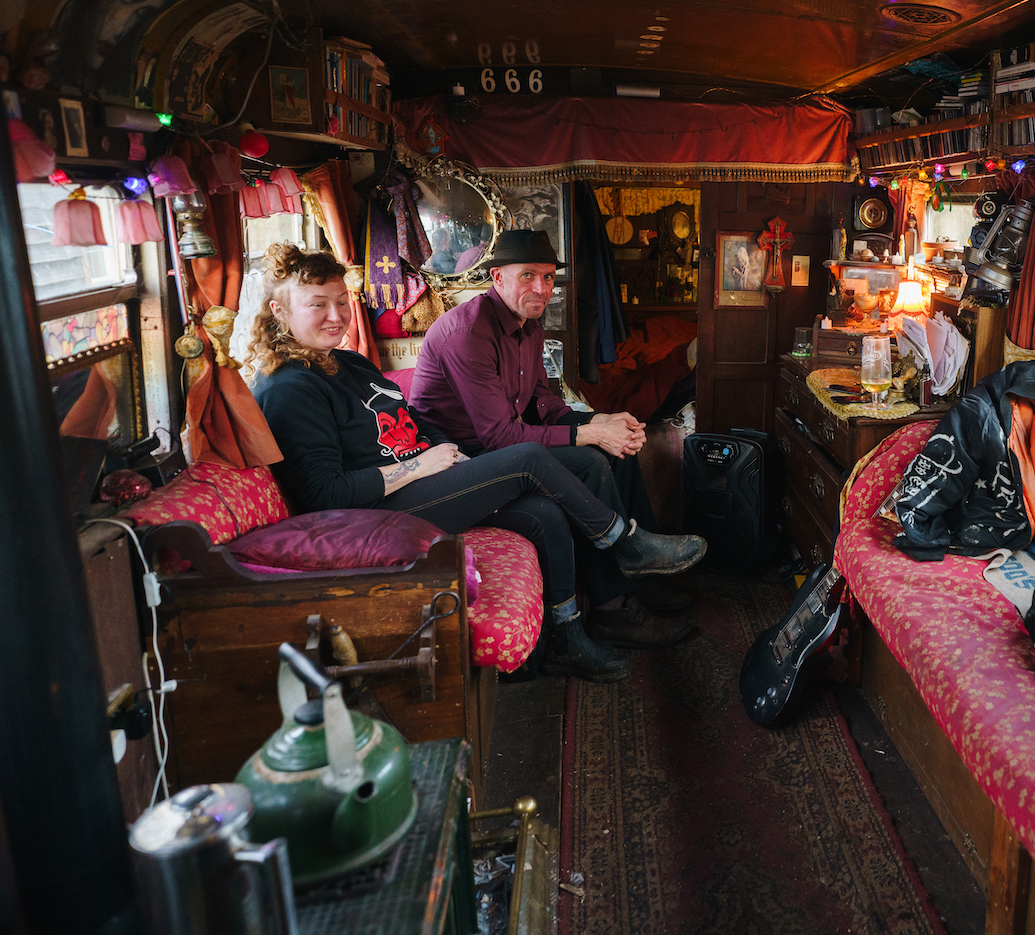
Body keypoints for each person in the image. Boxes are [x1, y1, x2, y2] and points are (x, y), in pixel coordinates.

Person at [247, 243, 703, 683]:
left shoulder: (348, 363)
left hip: (419, 482)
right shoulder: (288, 388)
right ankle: (626, 543)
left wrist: (448, 456)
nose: (336, 316)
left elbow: (415, 423)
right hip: (371, 517)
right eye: (317, 305)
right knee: (526, 458)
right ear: (280, 312)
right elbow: (323, 495)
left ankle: (567, 635)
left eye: (342, 302)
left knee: (544, 514)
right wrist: (423, 466)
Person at [409, 230, 705, 652]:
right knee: (591, 461)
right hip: (462, 458)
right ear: (497, 277)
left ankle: (640, 574)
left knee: (614, 448)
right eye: (528, 275)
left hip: (504, 442)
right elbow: (497, 436)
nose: (540, 288)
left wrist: (600, 420)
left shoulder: (527, 321)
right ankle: (612, 608)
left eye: (548, 278)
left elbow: (540, 400)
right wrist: (587, 433)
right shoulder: (468, 332)